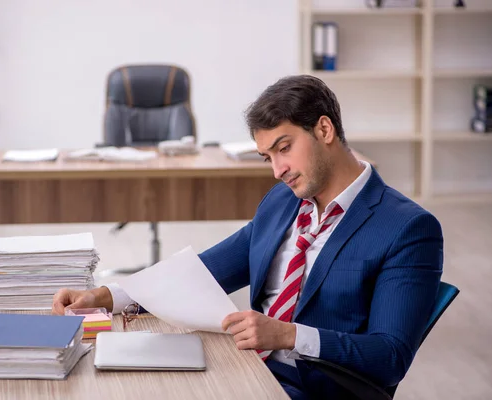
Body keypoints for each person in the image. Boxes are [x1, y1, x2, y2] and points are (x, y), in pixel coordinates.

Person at [52, 75, 443, 400]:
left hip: (314, 389)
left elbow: (390, 355)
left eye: (284, 148)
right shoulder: (283, 201)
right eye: (267, 157)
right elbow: (205, 270)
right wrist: (106, 296)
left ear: (324, 129)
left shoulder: (407, 229)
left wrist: (289, 335)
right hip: (246, 367)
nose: (277, 170)